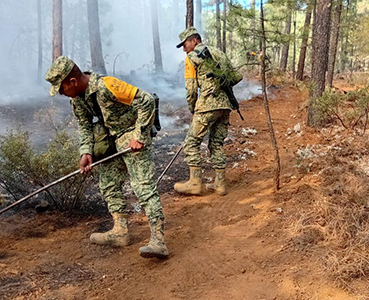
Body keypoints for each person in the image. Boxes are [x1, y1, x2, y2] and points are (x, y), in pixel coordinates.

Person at [45, 56, 168, 259]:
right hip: (111, 140)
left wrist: (139, 136)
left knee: (142, 186)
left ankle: (158, 240)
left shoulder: (107, 86)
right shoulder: (77, 100)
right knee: (108, 183)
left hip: (132, 138)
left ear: (73, 82)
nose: (62, 93)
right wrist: (86, 152)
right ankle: (120, 231)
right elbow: (84, 126)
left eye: (61, 88)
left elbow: (146, 100)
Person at [174, 27, 242, 196]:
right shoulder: (218, 52)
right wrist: (219, 86)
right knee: (216, 143)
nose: (184, 49)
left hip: (206, 106)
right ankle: (220, 184)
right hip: (225, 106)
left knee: (191, 143)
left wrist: (192, 108)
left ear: (194, 40)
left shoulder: (191, 57)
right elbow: (236, 77)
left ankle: (195, 183)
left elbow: (190, 90)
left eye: (185, 44)